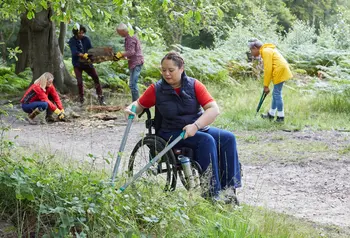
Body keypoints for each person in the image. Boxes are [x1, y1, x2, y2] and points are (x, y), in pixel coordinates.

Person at [124, 52, 241, 203]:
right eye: (163, 70)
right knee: (206, 141)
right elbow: (139, 104)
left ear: (181, 69)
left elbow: (213, 109)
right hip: (170, 132)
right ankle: (212, 194)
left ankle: (229, 190)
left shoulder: (194, 85)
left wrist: (196, 125)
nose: (166, 74)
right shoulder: (156, 89)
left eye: (171, 70)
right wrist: (130, 109)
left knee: (228, 138)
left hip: (195, 128)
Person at [249, 39, 293, 122]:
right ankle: (271, 114)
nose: (251, 52)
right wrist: (266, 85)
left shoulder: (265, 51)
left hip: (279, 71)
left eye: (251, 50)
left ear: (255, 48)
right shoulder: (266, 50)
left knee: (277, 94)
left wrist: (266, 86)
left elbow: (268, 69)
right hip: (280, 70)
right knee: (275, 93)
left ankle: (280, 117)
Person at [68, 24, 106, 105]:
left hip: (87, 63)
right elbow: (74, 52)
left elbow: (91, 49)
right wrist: (82, 55)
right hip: (77, 64)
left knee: (95, 77)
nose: (81, 34)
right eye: (79, 33)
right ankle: (81, 99)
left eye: (82, 33)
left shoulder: (86, 39)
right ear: (75, 33)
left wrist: (94, 57)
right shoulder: (72, 41)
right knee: (79, 81)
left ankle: (100, 97)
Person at [116, 23, 144, 102]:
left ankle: (136, 103)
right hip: (133, 62)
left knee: (133, 84)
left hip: (136, 62)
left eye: (119, 33)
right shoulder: (128, 37)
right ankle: (135, 102)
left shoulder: (130, 37)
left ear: (123, 31)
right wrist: (122, 56)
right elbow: (130, 52)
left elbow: (131, 52)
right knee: (132, 84)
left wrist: (121, 54)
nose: (119, 34)